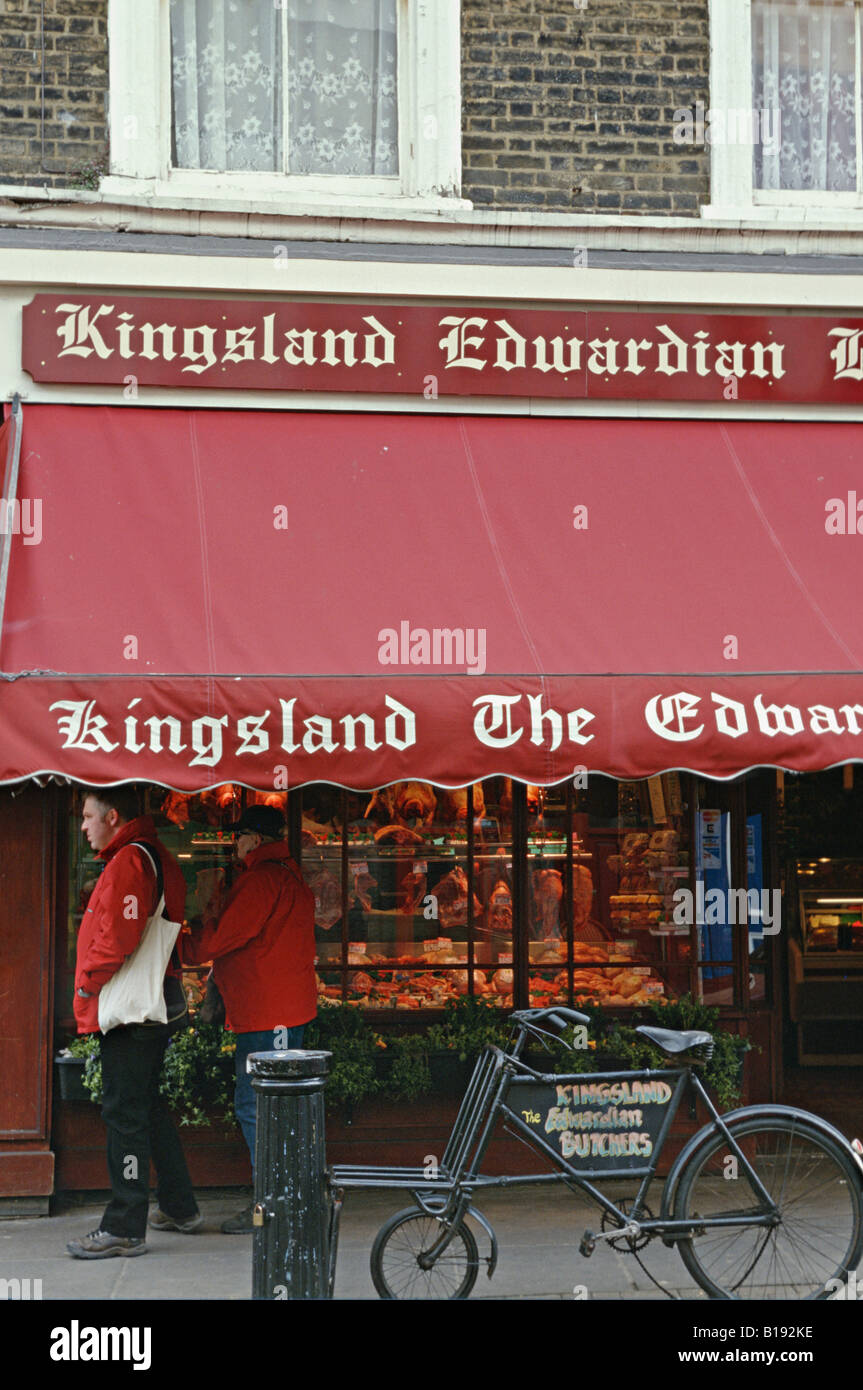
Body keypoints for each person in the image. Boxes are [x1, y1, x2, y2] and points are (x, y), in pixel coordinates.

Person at [66, 786, 201, 1259]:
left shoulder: (129, 861)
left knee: (124, 1114)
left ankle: (124, 1224)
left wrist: (86, 985)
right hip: (153, 1003)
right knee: (147, 1106)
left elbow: (120, 936)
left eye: (88, 816)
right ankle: (180, 1206)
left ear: (113, 816)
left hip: (128, 1007)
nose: (83, 826)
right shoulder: (154, 855)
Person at [181, 804, 316, 1234]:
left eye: (238, 837)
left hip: (266, 1012)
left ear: (253, 840)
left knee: (257, 1106)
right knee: (278, 1106)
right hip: (285, 1008)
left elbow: (223, 938)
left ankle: (273, 1205)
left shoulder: (261, 879)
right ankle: (291, 1198)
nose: (235, 845)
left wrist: (180, 947)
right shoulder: (288, 872)